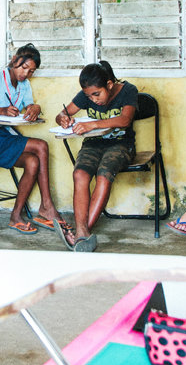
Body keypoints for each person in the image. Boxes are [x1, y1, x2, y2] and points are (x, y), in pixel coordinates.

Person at [0, 44, 67, 235]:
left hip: (5, 134)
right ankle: (47, 205)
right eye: (24, 68)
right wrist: (2, 111)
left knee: (33, 161)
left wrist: (35, 108)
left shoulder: (24, 85)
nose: (26, 74)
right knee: (41, 145)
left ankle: (16, 216)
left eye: (31, 71)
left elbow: (29, 105)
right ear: (14, 60)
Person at [56, 61, 138, 252]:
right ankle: (82, 235)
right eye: (88, 96)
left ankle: (79, 234)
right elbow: (62, 112)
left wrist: (93, 124)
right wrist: (63, 118)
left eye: (96, 94)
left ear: (109, 85)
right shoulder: (87, 94)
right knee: (80, 174)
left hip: (121, 144)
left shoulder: (128, 91)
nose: (93, 100)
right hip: (93, 144)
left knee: (103, 173)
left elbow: (125, 120)